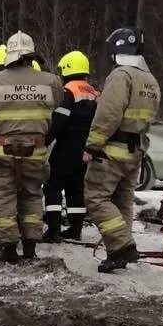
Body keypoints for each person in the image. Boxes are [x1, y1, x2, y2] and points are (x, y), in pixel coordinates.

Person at [0, 32, 63, 264]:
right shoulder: (51, 81)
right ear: (31, 55)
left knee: (3, 198)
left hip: (1, 153)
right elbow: (57, 108)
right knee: (32, 196)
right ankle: (30, 246)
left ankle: (8, 248)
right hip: (35, 153)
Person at [83, 26, 161, 273]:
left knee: (96, 199)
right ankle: (121, 249)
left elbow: (108, 114)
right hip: (135, 151)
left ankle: (121, 247)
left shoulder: (120, 76)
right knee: (123, 202)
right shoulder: (150, 80)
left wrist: (92, 146)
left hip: (111, 150)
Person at [43, 50, 99, 242]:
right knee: (76, 188)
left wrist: (45, 140)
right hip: (85, 149)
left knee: (53, 186)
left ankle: (53, 229)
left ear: (67, 69)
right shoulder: (93, 92)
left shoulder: (68, 91)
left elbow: (59, 121)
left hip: (66, 147)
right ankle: (75, 229)